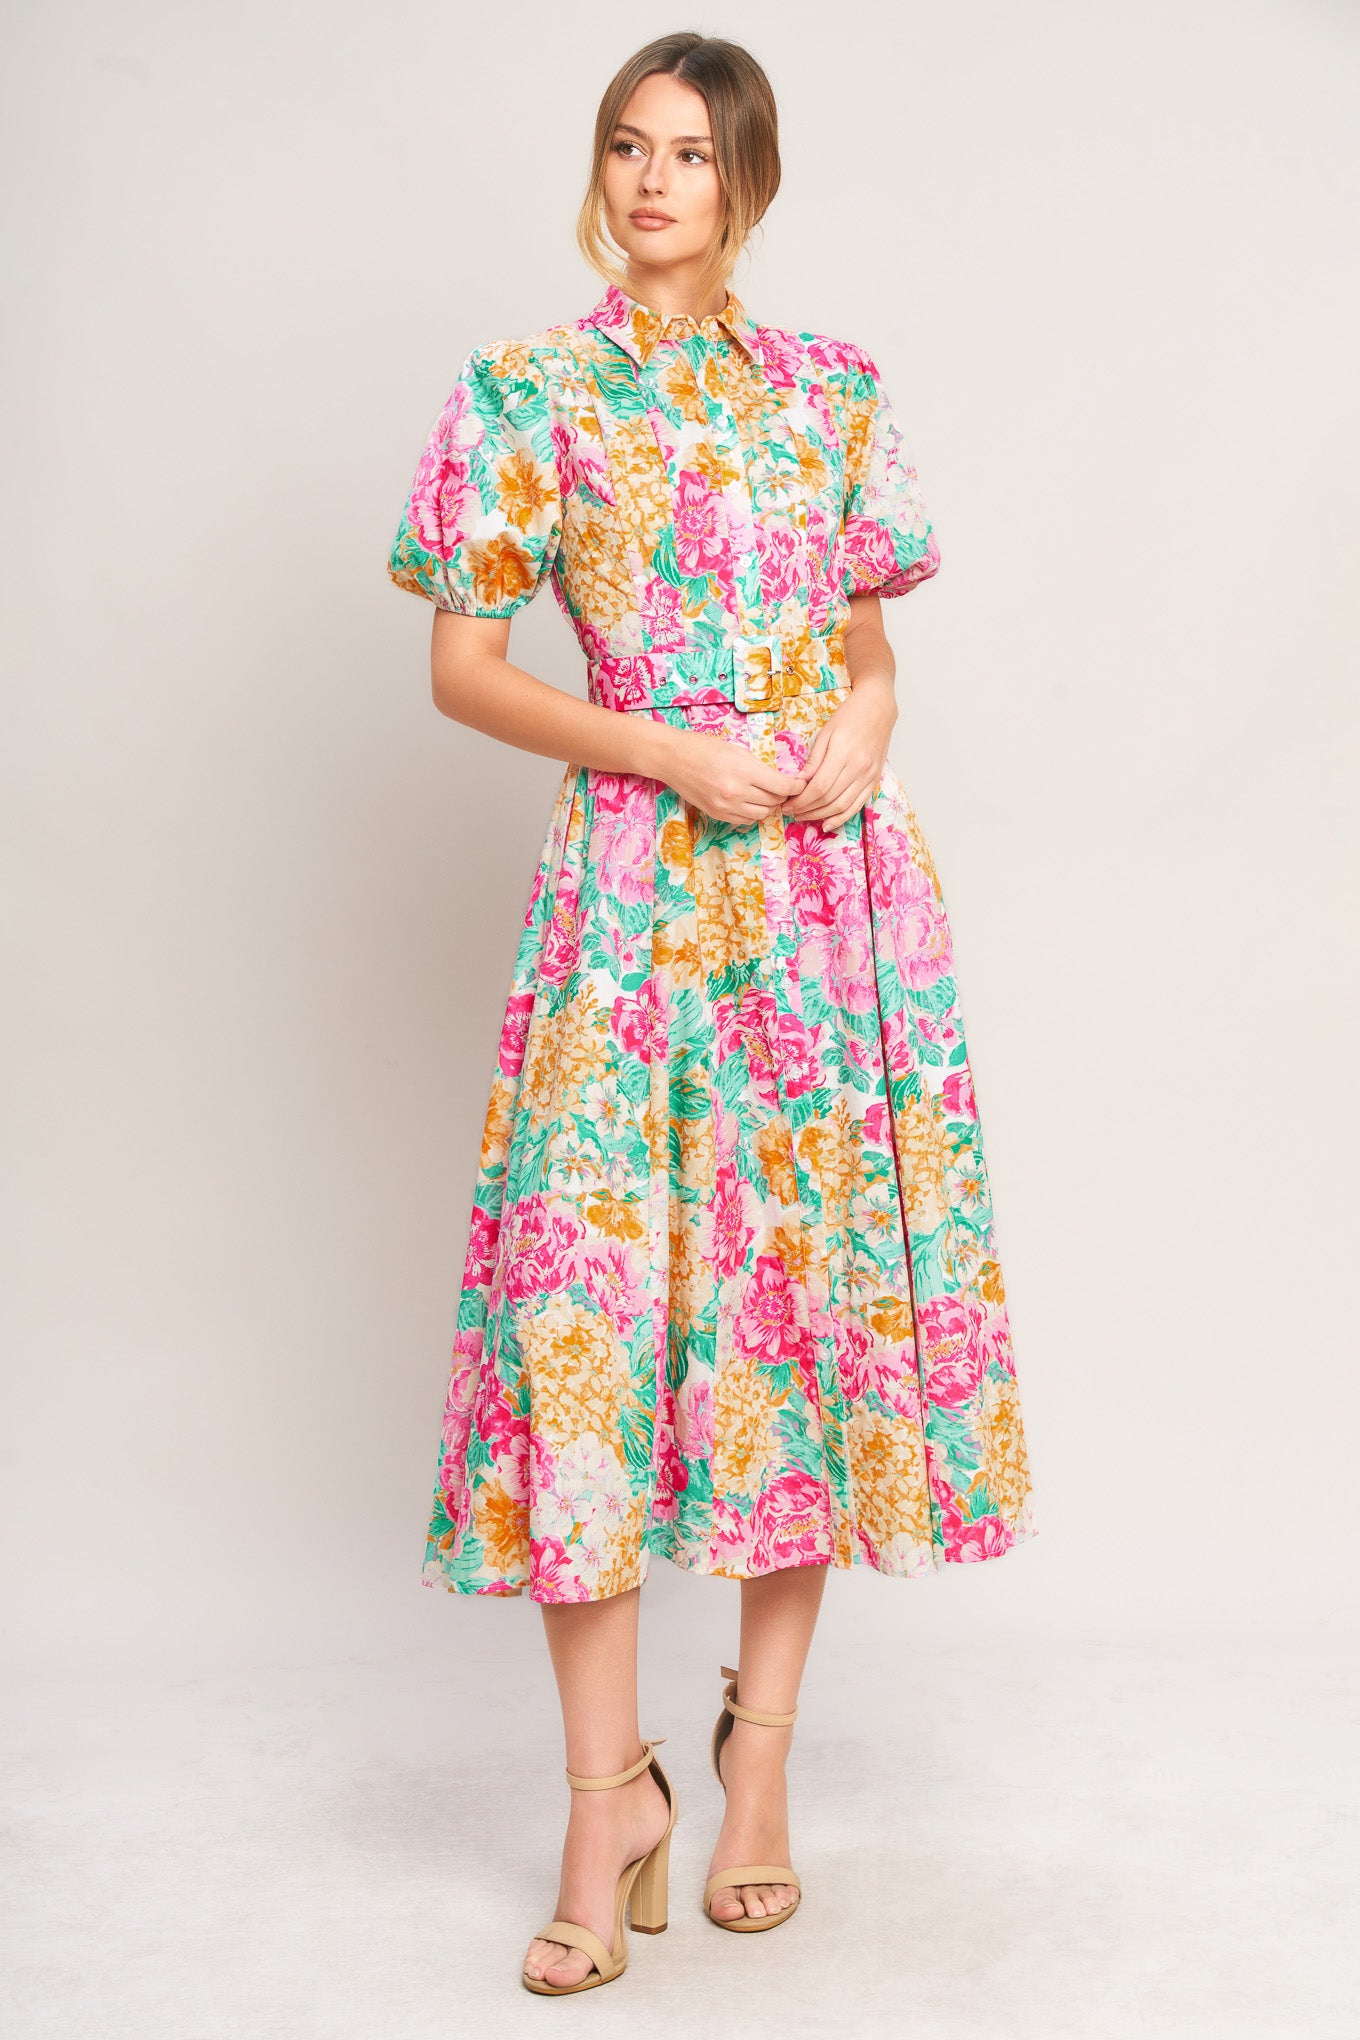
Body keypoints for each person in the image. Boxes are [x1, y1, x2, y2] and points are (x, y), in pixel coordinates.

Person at [386, 29, 1036, 1998]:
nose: (650, 179)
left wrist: (859, 713)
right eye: (623, 146)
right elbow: (460, 666)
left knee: (789, 1322)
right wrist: (661, 751)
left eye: (688, 152)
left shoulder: (828, 391)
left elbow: (862, 638)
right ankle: (606, 1803)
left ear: (746, 184)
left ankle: (753, 1779)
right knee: (579, 1334)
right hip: (626, 902)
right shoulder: (527, 390)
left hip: (822, 912)